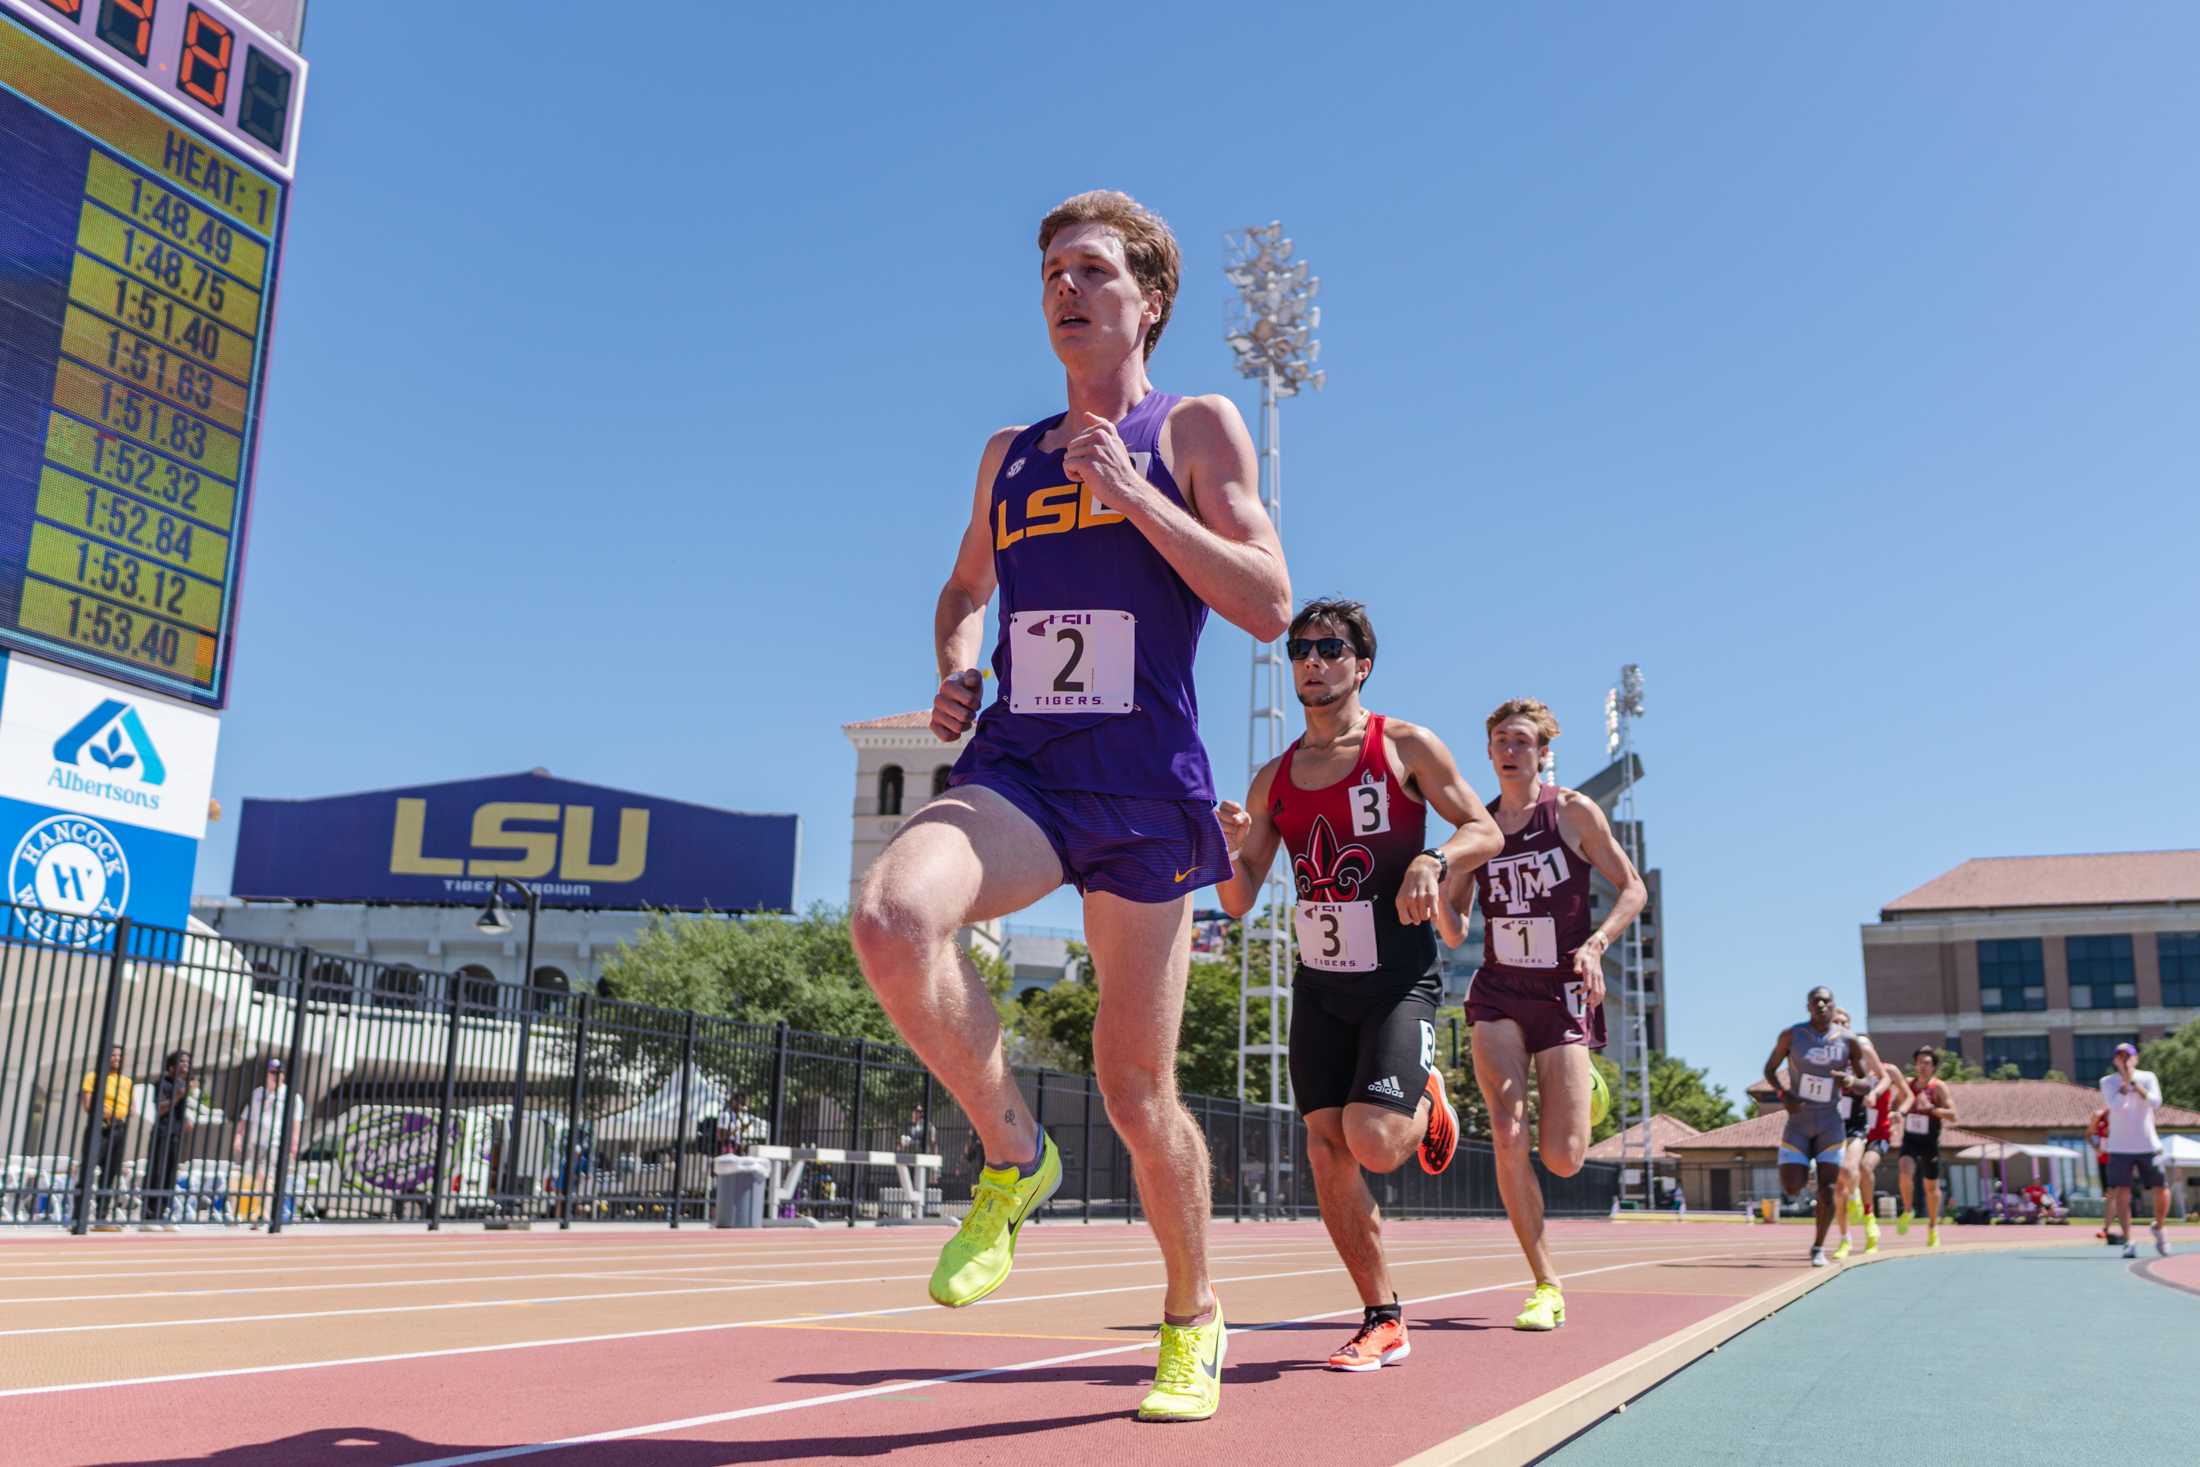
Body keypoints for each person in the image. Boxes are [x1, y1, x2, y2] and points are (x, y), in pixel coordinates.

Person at [849, 190, 1289, 1423]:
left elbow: (1267, 599)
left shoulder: (1191, 425)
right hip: (1023, 769)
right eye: (1050, 271)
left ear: (1147, 300)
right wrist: (954, 663)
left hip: (1145, 788)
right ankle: (1010, 1155)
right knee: (891, 918)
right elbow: (959, 588)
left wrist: (1140, 496)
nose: (1065, 288)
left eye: (1092, 270)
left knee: (1137, 1092)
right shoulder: (1009, 453)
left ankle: (1193, 1316)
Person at [1212, 598, 1501, 1371]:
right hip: (1321, 983)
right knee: (1324, 1147)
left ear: (1360, 664)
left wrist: (1432, 859)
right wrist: (1227, 848)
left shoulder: (1403, 745)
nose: (1312, 659)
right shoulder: (1276, 778)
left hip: (1399, 978)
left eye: (1329, 647)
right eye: (1301, 649)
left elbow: (1487, 829)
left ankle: (1423, 1091)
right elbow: (1238, 898)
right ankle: (1383, 1315)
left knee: (1374, 1142)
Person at [1443, 698, 1645, 1330]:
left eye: (1522, 740)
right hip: (1500, 991)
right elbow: (1454, 931)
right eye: (1501, 739)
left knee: (1562, 1158)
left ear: (1542, 751)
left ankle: (1585, 1083)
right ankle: (1544, 1281)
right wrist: (1430, 895)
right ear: (1489, 751)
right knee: (1508, 1130)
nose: (1510, 749)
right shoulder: (1476, 828)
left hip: (1562, 990)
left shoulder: (1574, 811)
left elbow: (1633, 887)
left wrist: (1596, 943)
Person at [1763, 988, 1881, 1267]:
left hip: (1830, 1123)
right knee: (1792, 1187)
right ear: (1808, 1006)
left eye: (1826, 1001)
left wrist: (1851, 1083)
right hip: (1799, 1123)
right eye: (1816, 1000)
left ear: (1833, 1006)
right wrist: (1784, 1095)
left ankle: (1818, 1247)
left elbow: (1868, 1084)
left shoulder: (1849, 1042)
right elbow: (1768, 1070)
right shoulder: (1792, 1035)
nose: (1821, 1004)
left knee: (1829, 1189)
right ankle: (1807, 1169)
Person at [1827, 1008, 1909, 1259]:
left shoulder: (1871, 1059)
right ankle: (1844, 1238)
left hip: (1875, 1132)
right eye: (1835, 1022)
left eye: (1844, 1022)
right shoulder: (1827, 1054)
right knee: (1841, 1183)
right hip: (1837, 1122)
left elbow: (1900, 1089)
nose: (1840, 1025)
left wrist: (1896, 1111)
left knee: (1861, 1168)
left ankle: (1868, 1213)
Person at [2100, 1043, 2170, 1259]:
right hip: (2119, 1147)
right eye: (2120, 1056)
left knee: (2161, 1188)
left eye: (2128, 1056)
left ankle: (2158, 1227)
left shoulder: (2148, 1077)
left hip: (2149, 1145)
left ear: (2136, 1058)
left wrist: (2134, 1083)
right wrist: (2123, 1083)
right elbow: (2116, 1107)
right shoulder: (2107, 1082)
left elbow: (2155, 1102)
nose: (2124, 1060)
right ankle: (2128, 1239)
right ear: (2114, 1060)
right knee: (2122, 1191)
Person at [1896, 1045, 1957, 1247]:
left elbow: (1953, 1115)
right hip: (1910, 1139)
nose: (1923, 1066)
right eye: (1920, 1062)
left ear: (1933, 1067)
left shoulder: (1938, 1087)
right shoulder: (1908, 1085)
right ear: (1915, 1065)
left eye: (1928, 1063)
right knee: (1905, 1171)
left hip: (1930, 1141)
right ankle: (1907, 1209)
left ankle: (1932, 1227)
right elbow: (1896, 1105)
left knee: (1931, 1187)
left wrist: (1931, 1108)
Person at [231, 1058, 300, 1229]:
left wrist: (294, 1144)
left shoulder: (290, 1096)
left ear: (283, 1075)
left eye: (279, 1073)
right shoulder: (258, 1093)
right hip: (255, 1142)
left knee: (267, 1178)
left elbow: (295, 1122)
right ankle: (247, 1214)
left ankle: (265, 1215)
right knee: (252, 1178)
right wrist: (239, 1136)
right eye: (272, 1073)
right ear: (268, 1073)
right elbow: (245, 1117)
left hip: (275, 1143)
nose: (275, 1076)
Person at [77, 1043, 133, 1224]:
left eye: (119, 1056)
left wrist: (117, 1113)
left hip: (119, 1128)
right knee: (88, 1169)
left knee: (110, 1173)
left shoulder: (126, 1081)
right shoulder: (93, 1077)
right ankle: (79, 1216)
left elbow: (132, 1108)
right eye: (113, 1055)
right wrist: (107, 1112)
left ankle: (101, 1216)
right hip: (99, 1127)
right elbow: (88, 1105)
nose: (117, 1059)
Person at [143, 1050, 194, 1231]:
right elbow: (161, 1108)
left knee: (171, 1174)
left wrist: (186, 1120)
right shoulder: (162, 1083)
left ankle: (163, 1213)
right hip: (162, 1133)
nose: (186, 1065)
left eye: (188, 1062)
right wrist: (179, 1095)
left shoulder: (182, 1085)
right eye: (182, 1062)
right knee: (157, 1172)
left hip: (176, 1135)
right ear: (171, 1066)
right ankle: (149, 1216)